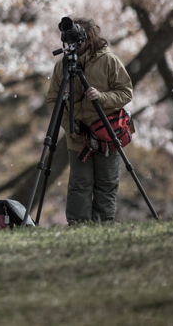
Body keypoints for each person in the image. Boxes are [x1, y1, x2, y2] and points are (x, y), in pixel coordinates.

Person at [45, 18, 133, 224]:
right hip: (78, 137)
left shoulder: (109, 61)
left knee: (106, 184)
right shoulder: (63, 66)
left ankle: (103, 227)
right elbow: (53, 99)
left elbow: (126, 93)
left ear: (89, 37)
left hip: (107, 133)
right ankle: (78, 227)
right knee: (79, 184)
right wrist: (68, 125)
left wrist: (101, 97)